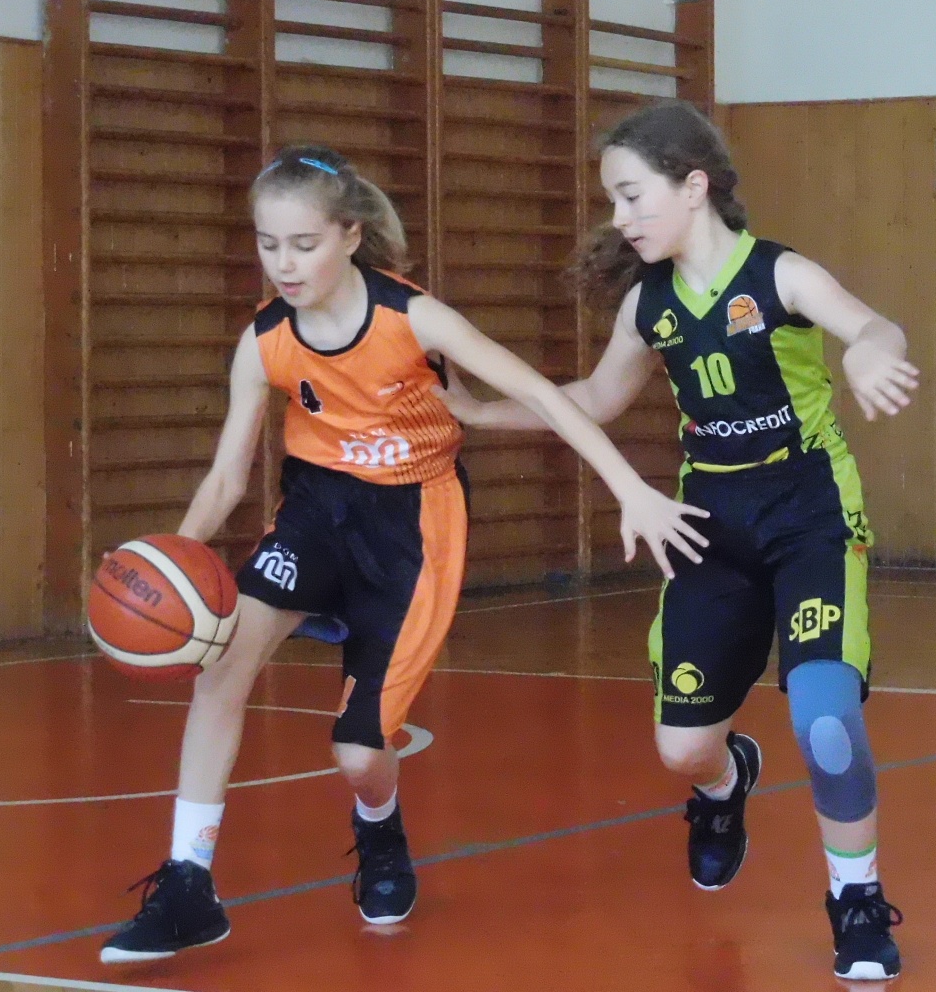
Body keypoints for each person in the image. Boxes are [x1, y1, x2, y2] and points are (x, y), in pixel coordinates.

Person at [100, 145, 708, 964]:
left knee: (359, 754)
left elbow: (542, 396)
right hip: (315, 516)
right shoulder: (266, 338)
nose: (284, 264)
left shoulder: (413, 319)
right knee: (222, 668)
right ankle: (188, 886)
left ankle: (379, 825)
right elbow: (226, 477)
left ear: (350, 236)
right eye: (269, 244)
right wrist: (171, 560)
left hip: (414, 524)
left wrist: (629, 488)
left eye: (304, 244)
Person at [439, 101, 918, 981]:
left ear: (694, 187)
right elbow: (595, 399)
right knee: (682, 750)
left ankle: (855, 899)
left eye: (631, 196)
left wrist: (867, 352)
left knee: (825, 719)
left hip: (809, 513)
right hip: (708, 526)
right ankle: (724, 783)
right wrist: (478, 412)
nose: (619, 218)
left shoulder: (780, 275)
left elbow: (873, 325)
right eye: (613, 201)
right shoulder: (648, 305)